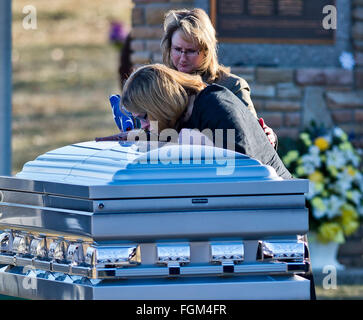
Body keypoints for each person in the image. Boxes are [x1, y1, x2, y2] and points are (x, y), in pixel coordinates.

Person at [121, 64, 292, 180]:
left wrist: (198, 143)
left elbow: (244, 169)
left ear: (160, 104)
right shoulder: (181, 118)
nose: (143, 125)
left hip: (279, 209)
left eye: (144, 117)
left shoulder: (215, 104)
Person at [161, 8, 276, 147]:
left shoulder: (232, 85)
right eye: (178, 49)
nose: (183, 58)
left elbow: (251, 139)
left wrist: (270, 137)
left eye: (191, 51)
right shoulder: (161, 85)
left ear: (206, 51)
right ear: (169, 48)